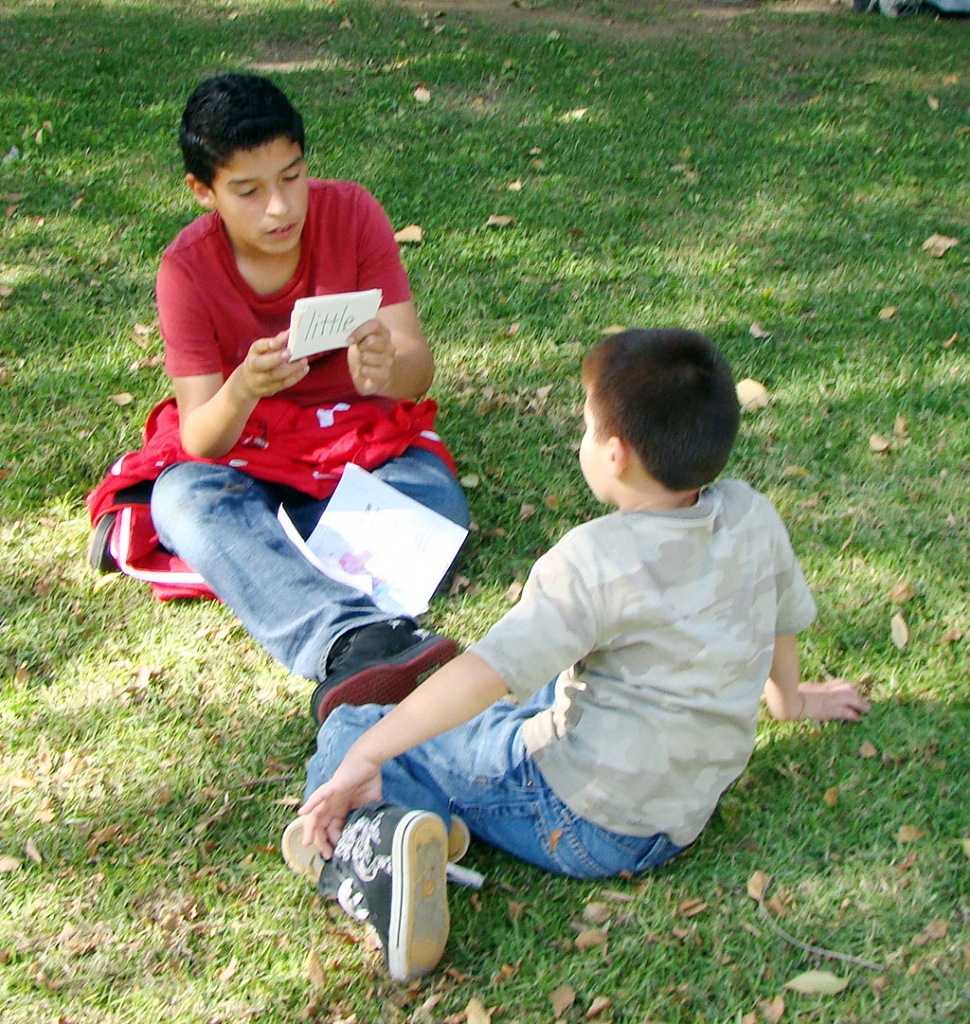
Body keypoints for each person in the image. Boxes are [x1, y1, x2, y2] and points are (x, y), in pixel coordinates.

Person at [280, 327, 871, 983]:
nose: (581, 440)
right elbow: (779, 619)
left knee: (354, 724)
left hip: (584, 818)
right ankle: (424, 820)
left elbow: (485, 678)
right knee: (530, 693)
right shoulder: (752, 516)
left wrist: (367, 754)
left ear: (614, 455)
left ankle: (363, 853)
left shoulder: (593, 563)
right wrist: (791, 701)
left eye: (586, 428)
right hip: (683, 807)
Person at [143, 73, 469, 721]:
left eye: (291, 177)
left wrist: (386, 369)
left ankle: (276, 572)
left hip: (361, 444)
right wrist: (242, 388)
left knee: (438, 501)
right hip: (252, 457)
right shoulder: (185, 269)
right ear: (202, 191)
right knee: (180, 498)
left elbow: (416, 369)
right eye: (248, 190)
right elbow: (202, 438)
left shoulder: (351, 213)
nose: (279, 208)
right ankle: (353, 637)